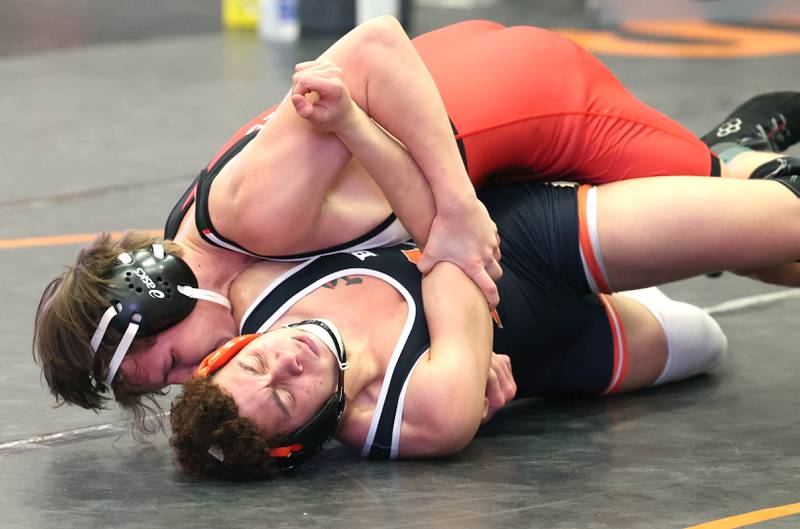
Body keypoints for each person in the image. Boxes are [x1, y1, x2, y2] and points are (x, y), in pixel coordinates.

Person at [33, 17, 800, 424]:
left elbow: (372, 46)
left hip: (522, 104)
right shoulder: (229, 279)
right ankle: (733, 164)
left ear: (168, 292)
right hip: (480, 146)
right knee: (744, 239)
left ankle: (736, 154)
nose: (188, 378)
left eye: (168, 365)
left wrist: (460, 212)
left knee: (762, 235)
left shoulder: (246, 214)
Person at [168, 166, 800, 478]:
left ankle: (727, 172)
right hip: (564, 350)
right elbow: (452, 261)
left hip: (529, 235)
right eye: (284, 396)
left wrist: (351, 122)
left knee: (784, 221)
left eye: (255, 362)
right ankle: (723, 186)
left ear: (229, 350)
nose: (285, 362)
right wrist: (462, 368)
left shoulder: (257, 289)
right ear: (302, 438)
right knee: (706, 341)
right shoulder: (417, 420)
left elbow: (452, 240)